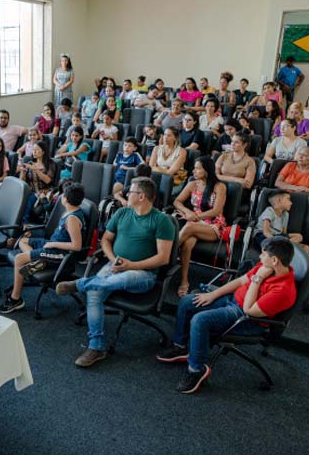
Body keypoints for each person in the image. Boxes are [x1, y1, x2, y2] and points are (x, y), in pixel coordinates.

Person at [55, 177, 175, 367]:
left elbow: (163, 258)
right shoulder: (121, 213)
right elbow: (106, 241)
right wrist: (113, 260)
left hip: (142, 274)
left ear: (142, 196)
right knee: (96, 292)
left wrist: (130, 265)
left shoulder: (162, 221)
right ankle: (96, 347)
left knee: (120, 278)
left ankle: (80, 284)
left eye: (131, 191)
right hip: (115, 265)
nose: (127, 194)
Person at [157, 236, 296, 394]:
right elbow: (241, 281)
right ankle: (180, 347)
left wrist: (258, 279)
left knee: (199, 320)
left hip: (245, 318)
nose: (259, 256)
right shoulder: (265, 266)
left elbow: (248, 309)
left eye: (263, 254)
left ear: (275, 260)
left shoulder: (283, 291)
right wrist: (214, 294)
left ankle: (196, 370)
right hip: (232, 300)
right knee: (187, 301)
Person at [1, 183, 86, 314]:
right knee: (22, 241)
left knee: (19, 259)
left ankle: (16, 299)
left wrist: (53, 245)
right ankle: (38, 261)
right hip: (51, 244)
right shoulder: (70, 210)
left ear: (66, 200)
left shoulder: (72, 219)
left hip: (59, 252)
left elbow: (77, 246)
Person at [173, 156, 227, 296]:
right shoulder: (193, 184)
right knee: (186, 245)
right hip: (194, 222)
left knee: (189, 227)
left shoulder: (219, 187)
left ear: (207, 170)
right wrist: (188, 212)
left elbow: (215, 211)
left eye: (198, 168)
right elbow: (177, 202)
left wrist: (195, 217)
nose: (194, 171)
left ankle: (166, 254)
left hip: (214, 225)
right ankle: (184, 281)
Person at [19, 140, 56, 222]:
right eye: (33, 150)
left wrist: (36, 170)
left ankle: (25, 224)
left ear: (43, 152)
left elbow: (48, 181)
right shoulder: (30, 163)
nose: (34, 152)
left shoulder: (50, 164)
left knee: (28, 200)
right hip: (30, 190)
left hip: (43, 191)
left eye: (36, 149)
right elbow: (22, 181)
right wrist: (23, 172)